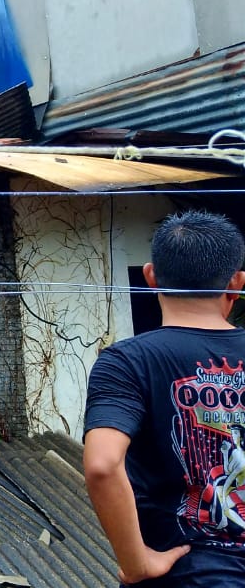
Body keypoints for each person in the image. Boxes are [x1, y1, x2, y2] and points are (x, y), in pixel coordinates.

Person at [85, 209, 245, 587]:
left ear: (151, 275)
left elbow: (103, 465)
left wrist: (136, 561)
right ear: (237, 283)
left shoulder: (128, 361)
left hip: (191, 572)